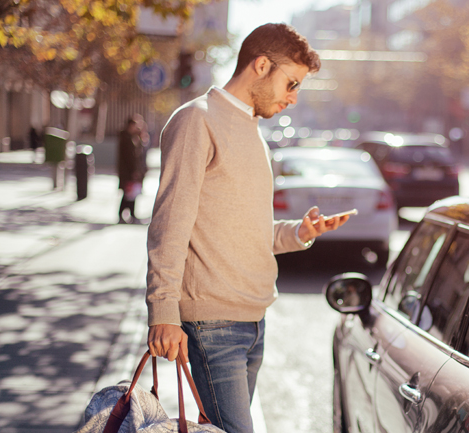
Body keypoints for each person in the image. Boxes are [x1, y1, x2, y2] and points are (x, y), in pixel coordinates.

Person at [145, 23, 350, 433]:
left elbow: (244, 229)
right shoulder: (196, 121)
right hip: (212, 323)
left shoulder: (254, 133)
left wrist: (300, 233)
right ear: (260, 65)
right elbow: (170, 223)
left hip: (253, 322)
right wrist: (163, 310)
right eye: (290, 83)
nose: (292, 98)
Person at [117, 117, 145, 224]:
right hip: (128, 172)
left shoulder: (133, 138)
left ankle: (131, 214)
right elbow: (129, 157)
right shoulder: (126, 138)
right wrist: (134, 171)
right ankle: (124, 214)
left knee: (132, 194)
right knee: (128, 193)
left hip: (131, 171)